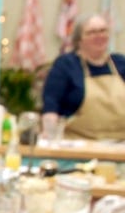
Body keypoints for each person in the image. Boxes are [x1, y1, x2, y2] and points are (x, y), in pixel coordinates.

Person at [41, 13, 125, 141]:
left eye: (103, 30)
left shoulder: (120, 63)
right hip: (78, 145)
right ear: (79, 40)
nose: (99, 36)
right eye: (92, 32)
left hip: (120, 146)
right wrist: (50, 137)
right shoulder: (66, 64)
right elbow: (51, 104)